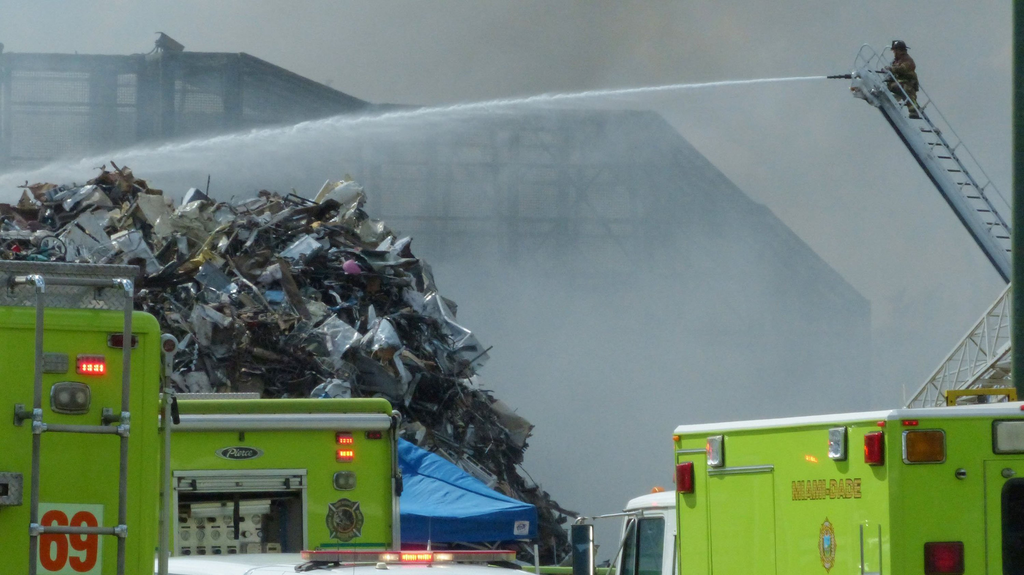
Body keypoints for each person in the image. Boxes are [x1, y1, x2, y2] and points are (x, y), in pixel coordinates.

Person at [885, 40, 920, 119]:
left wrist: (892, 69)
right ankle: (897, 99)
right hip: (899, 82)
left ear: (900, 50)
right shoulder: (896, 60)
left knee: (906, 90)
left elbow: (903, 68)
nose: (894, 53)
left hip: (909, 82)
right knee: (892, 86)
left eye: (895, 50)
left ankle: (913, 109)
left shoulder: (908, 60)